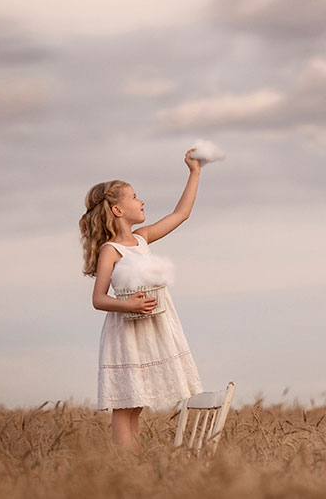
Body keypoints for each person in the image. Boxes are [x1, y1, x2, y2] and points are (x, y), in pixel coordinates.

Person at [78, 148, 205, 450]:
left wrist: (194, 173)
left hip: (149, 330)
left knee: (138, 402)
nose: (142, 200)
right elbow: (98, 299)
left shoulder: (142, 238)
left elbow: (181, 214)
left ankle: (135, 465)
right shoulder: (111, 250)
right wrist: (129, 305)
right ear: (119, 210)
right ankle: (126, 466)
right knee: (125, 403)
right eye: (135, 197)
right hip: (126, 333)